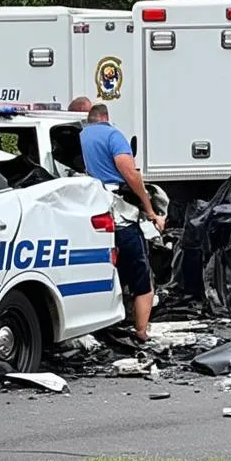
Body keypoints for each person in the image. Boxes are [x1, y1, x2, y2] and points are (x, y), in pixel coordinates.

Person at [75, 98, 165, 342]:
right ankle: (141, 331)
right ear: (105, 117)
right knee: (141, 278)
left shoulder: (78, 136)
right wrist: (149, 209)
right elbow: (130, 173)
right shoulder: (113, 136)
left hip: (87, 219)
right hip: (119, 218)